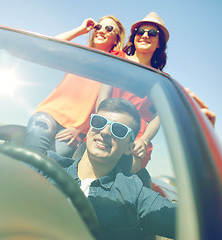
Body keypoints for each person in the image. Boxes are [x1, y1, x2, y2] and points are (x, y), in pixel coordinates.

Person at [46, 98, 176, 240]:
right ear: (89, 129)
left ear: (129, 148)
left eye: (119, 130)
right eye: (99, 122)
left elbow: (187, 222)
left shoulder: (134, 194)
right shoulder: (47, 165)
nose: (105, 132)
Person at [25, 15, 126, 158]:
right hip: (50, 114)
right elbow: (48, 45)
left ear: (116, 38)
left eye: (109, 29)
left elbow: (105, 104)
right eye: (98, 27)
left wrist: (81, 129)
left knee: (53, 160)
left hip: (77, 129)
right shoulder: (80, 53)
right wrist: (81, 29)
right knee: (36, 140)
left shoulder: (117, 64)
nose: (102, 31)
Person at [97, 12, 169, 174]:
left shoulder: (161, 79)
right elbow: (103, 96)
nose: (145, 35)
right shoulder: (116, 60)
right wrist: (101, 125)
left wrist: (144, 140)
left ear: (159, 43)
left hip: (136, 141)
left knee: (120, 181)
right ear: (134, 36)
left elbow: (159, 115)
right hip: (105, 130)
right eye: (140, 31)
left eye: (152, 33)